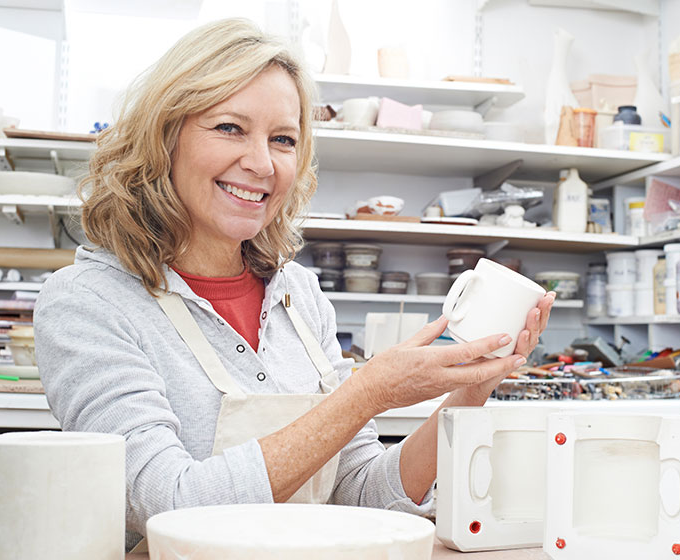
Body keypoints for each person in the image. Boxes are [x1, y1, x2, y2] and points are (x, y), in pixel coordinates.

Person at [34, 17, 556, 550]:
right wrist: (367, 392)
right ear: (163, 137)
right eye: (230, 128)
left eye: (282, 139)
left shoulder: (298, 297)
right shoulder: (86, 302)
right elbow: (165, 504)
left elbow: (360, 495)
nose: (261, 163)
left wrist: (473, 387)